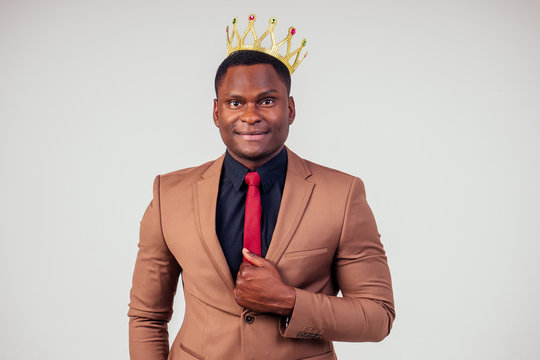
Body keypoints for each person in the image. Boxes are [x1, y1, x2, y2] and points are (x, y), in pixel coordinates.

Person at [128, 15, 395, 360]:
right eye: (235, 102)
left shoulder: (342, 195)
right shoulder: (170, 194)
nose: (250, 115)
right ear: (216, 112)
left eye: (267, 101)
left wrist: (288, 300)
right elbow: (147, 316)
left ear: (291, 108)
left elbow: (377, 318)